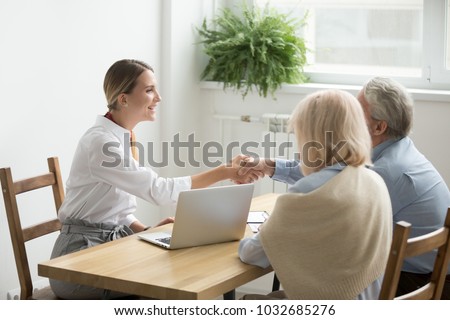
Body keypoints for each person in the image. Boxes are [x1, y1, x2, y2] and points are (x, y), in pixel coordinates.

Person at [50, 59, 260, 299]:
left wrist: (145, 229)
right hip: (78, 260)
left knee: (181, 273)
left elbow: (114, 210)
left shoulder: (121, 137)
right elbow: (159, 191)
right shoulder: (101, 143)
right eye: (149, 90)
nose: (158, 97)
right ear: (124, 99)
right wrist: (225, 171)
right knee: (169, 286)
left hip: (109, 247)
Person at [241, 77, 450, 299]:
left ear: (379, 127)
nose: (347, 118)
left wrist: (278, 228)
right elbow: (330, 175)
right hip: (414, 275)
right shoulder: (396, 154)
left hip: (411, 283)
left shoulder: (382, 172)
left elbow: (326, 184)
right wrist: (269, 166)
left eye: (356, 112)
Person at [238, 89, 393, 299]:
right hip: (368, 302)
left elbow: (252, 254)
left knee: (245, 302)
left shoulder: (306, 193)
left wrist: (265, 230)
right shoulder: (374, 181)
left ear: (312, 137)